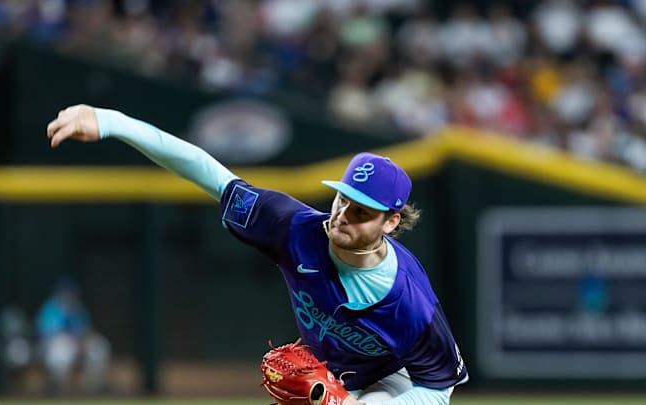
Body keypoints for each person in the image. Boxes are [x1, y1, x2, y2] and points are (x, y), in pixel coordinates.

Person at [46, 105, 468, 404]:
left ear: (391, 223)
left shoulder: (409, 303)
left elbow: (437, 388)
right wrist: (114, 122)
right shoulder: (293, 227)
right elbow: (209, 173)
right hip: (333, 378)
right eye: (342, 199)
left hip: (393, 382)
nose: (341, 216)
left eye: (361, 212)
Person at [35, 278, 110, 394]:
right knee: (61, 350)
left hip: (78, 344)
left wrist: (82, 341)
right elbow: (46, 334)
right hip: (54, 346)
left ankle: (92, 388)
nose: (69, 295)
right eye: (66, 292)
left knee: (98, 346)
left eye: (71, 292)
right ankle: (58, 389)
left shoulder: (78, 309)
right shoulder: (50, 308)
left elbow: (86, 331)